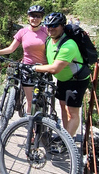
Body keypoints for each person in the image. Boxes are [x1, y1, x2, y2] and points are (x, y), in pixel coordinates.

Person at [31, 12, 90, 141]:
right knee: (63, 106)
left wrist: (34, 68)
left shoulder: (69, 45)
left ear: (63, 26)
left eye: (55, 25)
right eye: (48, 26)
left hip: (76, 80)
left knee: (72, 112)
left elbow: (54, 68)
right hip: (63, 79)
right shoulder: (49, 40)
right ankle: (65, 136)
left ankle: (67, 142)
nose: (51, 28)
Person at [0, 5, 48, 114]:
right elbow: (11, 49)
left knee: (41, 99)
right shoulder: (22, 32)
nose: (35, 18)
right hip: (27, 69)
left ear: (42, 18)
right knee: (30, 101)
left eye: (38, 16)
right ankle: (31, 128)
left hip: (43, 69)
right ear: (28, 17)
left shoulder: (46, 31)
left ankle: (43, 122)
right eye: (32, 16)